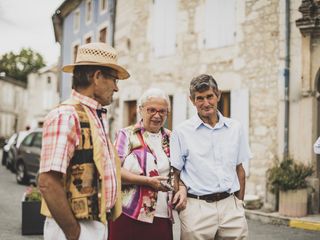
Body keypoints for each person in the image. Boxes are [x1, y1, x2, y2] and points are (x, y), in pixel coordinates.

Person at [38, 42, 130, 240]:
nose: (116, 87)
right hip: (74, 227)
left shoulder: (92, 115)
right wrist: (75, 234)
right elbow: (47, 182)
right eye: (114, 79)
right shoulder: (66, 115)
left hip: (92, 223)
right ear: (96, 77)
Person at [170, 74, 251, 240]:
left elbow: (239, 169)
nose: (206, 103)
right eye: (200, 98)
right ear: (192, 100)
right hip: (196, 210)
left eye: (209, 97)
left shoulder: (235, 128)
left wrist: (239, 205)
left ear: (218, 95)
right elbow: (175, 174)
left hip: (231, 207)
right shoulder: (181, 132)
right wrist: (184, 210)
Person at [108, 88, 174, 240]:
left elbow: (178, 171)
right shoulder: (127, 134)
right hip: (129, 212)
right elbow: (115, 169)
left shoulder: (171, 137)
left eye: (162, 111)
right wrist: (147, 181)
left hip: (162, 213)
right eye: (151, 110)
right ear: (140, 110)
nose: (157, 115)